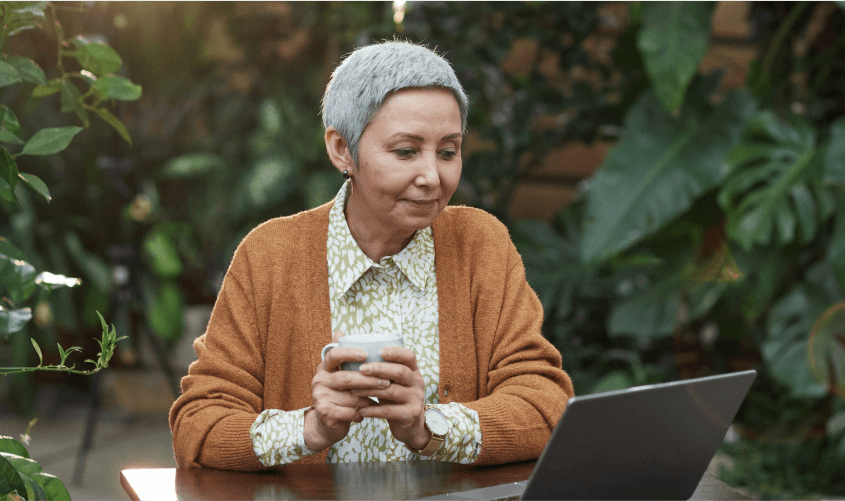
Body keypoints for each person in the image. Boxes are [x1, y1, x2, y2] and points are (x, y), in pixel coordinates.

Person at [169, 40, 573, 470]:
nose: (432, 177)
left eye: (449, 151)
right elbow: (199, 423)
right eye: (405, 151)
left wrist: (429, 427)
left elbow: (546, 404)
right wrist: (311, 429)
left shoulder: (480, 244)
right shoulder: (269, 256)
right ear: (342, 149)